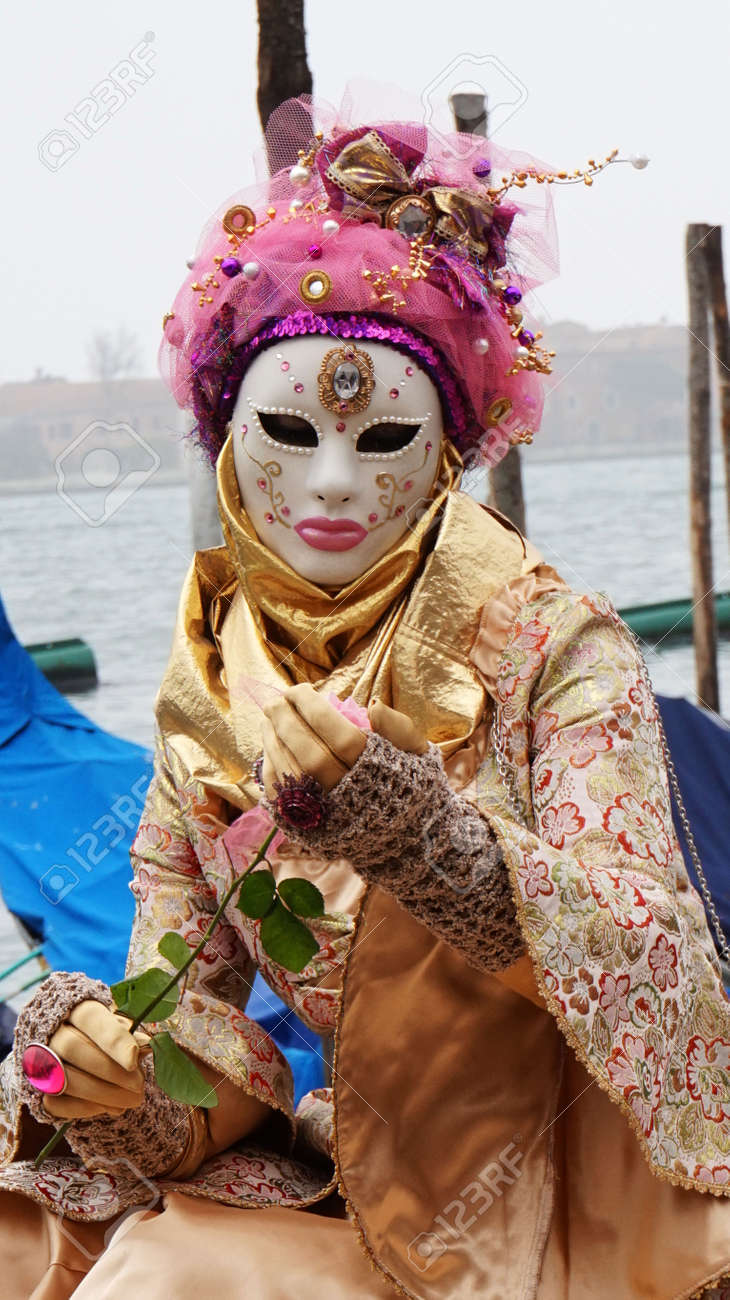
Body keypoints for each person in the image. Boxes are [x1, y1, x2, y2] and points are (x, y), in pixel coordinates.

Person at [3, 89, 730, 1300]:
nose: (333, 479)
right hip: (365, 1167)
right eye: (289, 428)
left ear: (448, 450)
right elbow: (207, 1048)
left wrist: (433, 844)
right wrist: (126, 1080)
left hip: (583, 1190)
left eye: (382, 438)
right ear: (226, 434)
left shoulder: (558, 646)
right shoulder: (205, 696)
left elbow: (658, 963)